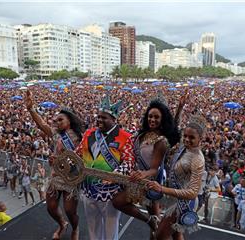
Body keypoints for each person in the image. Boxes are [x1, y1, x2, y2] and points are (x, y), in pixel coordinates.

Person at [112, 98, 180, 237]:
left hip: (148, 182)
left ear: (162, 120)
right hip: (137, 178)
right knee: (156, 222)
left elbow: (154, 168)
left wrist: (143, 174)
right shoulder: (142, 135)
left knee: (118, 201)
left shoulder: (161, 141)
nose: (152, 119)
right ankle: (153, 222)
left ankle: (151, 222)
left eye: (156, 117)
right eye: (150, 116)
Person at [25, 89, 84, 240]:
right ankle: (62, 224)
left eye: (60, 120)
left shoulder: (80, 138)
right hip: (56, 176)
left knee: (70, 210)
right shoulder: (56, 133)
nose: (56, 122)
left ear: (69, 121)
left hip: (72, 178)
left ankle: (75, 228)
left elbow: (81, 161)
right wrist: (31, 108)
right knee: (51, 207)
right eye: (55, 120)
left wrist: (61, 162)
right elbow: (41, 124)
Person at [76, 95, 135, 240]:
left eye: (104, 118)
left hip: (111, 193)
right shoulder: (89, 133)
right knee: (93, 229)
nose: (99, 120)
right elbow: (78, 154)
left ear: (114, 119)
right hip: (88, 189)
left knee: (110, 232)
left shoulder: (125, 137)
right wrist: (64, 160)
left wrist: (114, 175)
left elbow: (129, 162)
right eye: (98, 117)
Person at [147, 114, 206, 240]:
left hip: (183, 204)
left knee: (159, 236)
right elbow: (174, 127)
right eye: (185, 136)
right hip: (174, 199)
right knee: (176, 234)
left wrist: (162, 189)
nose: (187, 139)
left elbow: (192, 193)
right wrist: (179, 110)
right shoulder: (184, 147)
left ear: (200, 139)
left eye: (192, 137)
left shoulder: (197, 160)